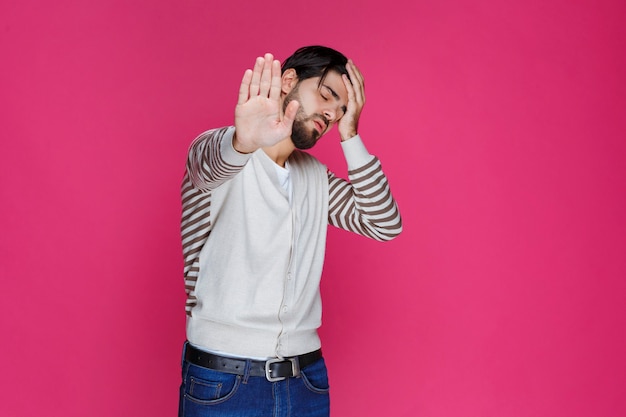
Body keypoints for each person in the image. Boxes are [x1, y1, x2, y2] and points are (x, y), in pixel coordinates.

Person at [178, 45, 402, 416]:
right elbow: (211, 165)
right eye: (327, 95)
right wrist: (243, 142)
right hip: (224, 380)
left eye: (340, 112)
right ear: (288, 81)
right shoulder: (218, 152)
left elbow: (384, 223)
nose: (330, 114)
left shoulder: (317, 178)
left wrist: (351, 135)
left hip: (306, 381)